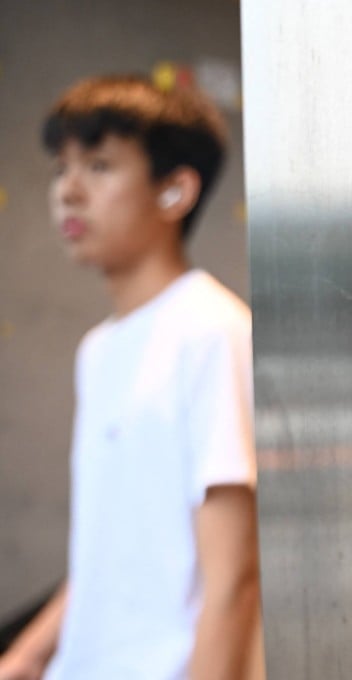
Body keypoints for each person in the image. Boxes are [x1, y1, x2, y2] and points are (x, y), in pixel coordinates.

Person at [0, 75, 261, 680]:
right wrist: (27, 656)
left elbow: (234, 576)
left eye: (98, 165)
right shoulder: (99, 349)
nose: (67, 190)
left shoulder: (212, 333)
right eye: (61, 168)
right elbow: (110, 552)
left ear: (175, 191)